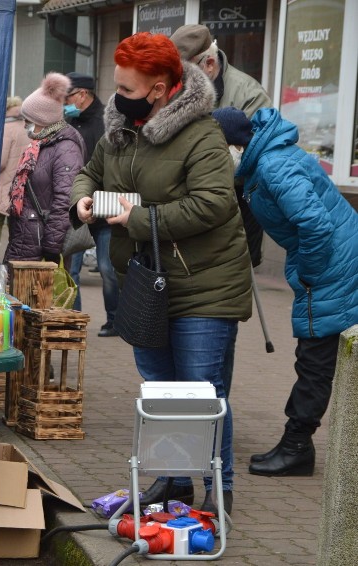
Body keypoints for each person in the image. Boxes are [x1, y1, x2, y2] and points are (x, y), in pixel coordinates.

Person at [70, 32, 252, 515]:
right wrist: (82, 198)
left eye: (127, 90)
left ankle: (219, 488)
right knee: (161, 390)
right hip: (146, 284)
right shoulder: (119, 127)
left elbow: (215, 203)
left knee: (200, 393)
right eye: (116, 86)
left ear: (159, 89)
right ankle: (174, 482)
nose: (117, 97)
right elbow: (90, 171)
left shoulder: (201, 132)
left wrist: (136, 218)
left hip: (203, 286)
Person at [212, 106, 358, 477]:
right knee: (316, 355)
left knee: (315, 357)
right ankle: (295, 444)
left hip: (333, 266)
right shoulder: (265, 161)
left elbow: (315, 225)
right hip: (335, 260)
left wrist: (307, 273)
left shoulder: (273, 166)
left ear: (234, 146)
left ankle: (296, 447)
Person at [171, 24, 270, 268]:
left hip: (239, 197)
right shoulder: (181, 90)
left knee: (235, 272)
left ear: (209, 64)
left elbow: (257, 152)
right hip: (193, 197)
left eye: (186, 74)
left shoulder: (249, 93)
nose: (181, 82)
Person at [4, 72, 85, 265]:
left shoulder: (65, 148)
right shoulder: (43, 144)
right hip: (28, 238)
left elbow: (64, 201)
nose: (25, 125)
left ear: (44, 119)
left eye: (29, 120)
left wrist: (51, 249)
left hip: (40, 247)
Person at [63, 72, 119, 336]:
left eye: (68, 97)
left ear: (83, 94)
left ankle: (115, 320)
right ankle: (75, 321)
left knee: (108, 268)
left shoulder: (107, 122)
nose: (64, 102)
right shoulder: (68, 121)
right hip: (78, 206)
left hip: (105, 206)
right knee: (71, 270)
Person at [0, 96, 31, 263]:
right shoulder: (28, 128)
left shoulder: (6, 129)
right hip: (22, 186)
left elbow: (0, 162)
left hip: (4, 186)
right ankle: (14, 261)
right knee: (16, 228)